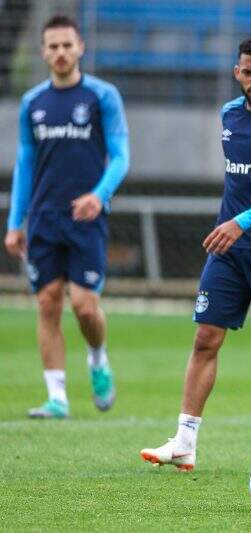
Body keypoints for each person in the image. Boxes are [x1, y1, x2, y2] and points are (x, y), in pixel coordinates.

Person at [140, 37, 251, 471]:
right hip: (229, 249)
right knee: (205, 338)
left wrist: (243, 221)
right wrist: (233, 227)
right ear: (237, 72)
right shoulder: (228, 115)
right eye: (248, 72)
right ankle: (184, 440)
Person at [4, 15, 130, 419]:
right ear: (43, 52)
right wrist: (14, 222)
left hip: (85, 217)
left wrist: (99, 194)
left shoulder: (102, 96)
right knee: (47, 302)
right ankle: (57, 397)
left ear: (80, 48)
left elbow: (122, 154)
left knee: (85, 307)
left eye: (66, 45)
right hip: (43, 217)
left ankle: (97, 359)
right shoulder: (33, 103)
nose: (60, 52)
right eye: (52, 46)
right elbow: (25, 162)